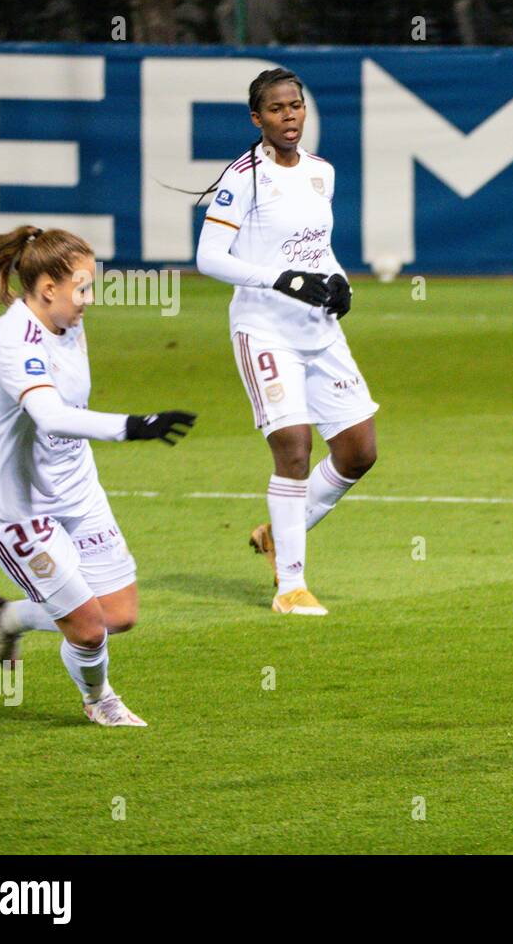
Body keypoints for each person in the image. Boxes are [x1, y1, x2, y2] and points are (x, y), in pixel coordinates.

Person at [0, 225, 196, 726]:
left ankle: (10, 616)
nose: (89, 299)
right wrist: (135, 426)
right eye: (81, 288)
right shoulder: (16, 339)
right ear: (46, 290)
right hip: (16, 505)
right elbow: (53, 416)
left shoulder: (67, 321)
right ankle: (100, 700)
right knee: (87, 629)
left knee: (119, 616)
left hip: (77, 490)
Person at [195, 67, 379, 616]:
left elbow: (317, 249)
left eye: (295, 106)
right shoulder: (242, 178)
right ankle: (290, 587)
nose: (289, 116)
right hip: (264, 329)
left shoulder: (321, 172)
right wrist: (282, 280)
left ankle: (277, 533)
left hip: (317, 330)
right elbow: (208, 258)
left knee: (358, 450)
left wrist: (339, 280)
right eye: (276, 109)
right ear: (257, 118)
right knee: (294, 447)